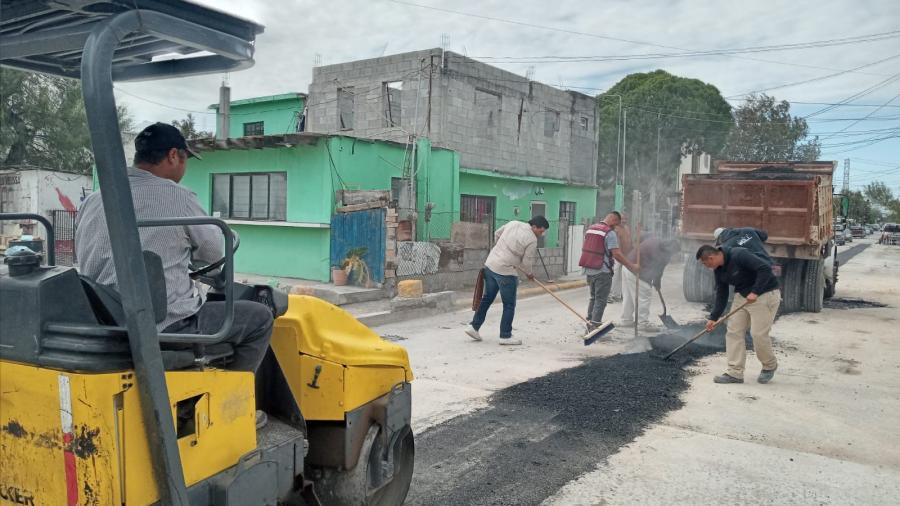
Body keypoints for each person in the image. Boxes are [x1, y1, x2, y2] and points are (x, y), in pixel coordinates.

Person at [76, 122, 272, 372]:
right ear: (172, 155)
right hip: (164, 325)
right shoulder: (176, 196)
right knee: (259, 318)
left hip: (107, 320)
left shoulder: (94, 199)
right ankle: (236, 403)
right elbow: (214, 252)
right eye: (185, 159)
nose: (185, 167)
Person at [696, 244, 781, 385]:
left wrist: (756, 291)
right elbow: (721, 293)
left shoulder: (739, 254)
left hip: (764, 294)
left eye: (705, 264)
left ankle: (769, 366)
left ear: (711, 258)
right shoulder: (718, 270)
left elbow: (765, 269)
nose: (706, 267)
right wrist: (713, 318)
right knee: (733, 332)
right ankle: (735, 373)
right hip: (742, 296)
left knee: (758, 334)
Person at [465, 216, 549, 345]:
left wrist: (501, 250)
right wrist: (529, 274)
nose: (541, 234)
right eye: (541, 231)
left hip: (491, 265)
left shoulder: (513, 223)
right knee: (509, 305)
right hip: (505, 272)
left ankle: (474, 327)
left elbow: (497, 234)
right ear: (534, 227)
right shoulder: (532, 239)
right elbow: (527, 262)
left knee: (487, 299)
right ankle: (505, 335)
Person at [579, 211, 640, 332]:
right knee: (601, 300)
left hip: (588, 269)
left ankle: (590, 322)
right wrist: (631, 266)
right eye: (616, 224)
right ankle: (594, 327)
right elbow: (616, 254)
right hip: (602, 271)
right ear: (613, 220)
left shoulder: (591, 229)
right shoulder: (609, 232)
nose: (615, 227)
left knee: (593, 298)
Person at [620, 236, 679, 331]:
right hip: (636, 269)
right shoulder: (664, 255)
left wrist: (656, 282)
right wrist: (656, 282)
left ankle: (626, 320)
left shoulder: (655, 239)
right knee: (644, 295)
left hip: (627, 265)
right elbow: (658, 270)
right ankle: (642, 323)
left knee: (628, 297)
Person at [608, 213, 632, 303]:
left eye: (625, 218)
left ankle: (618, 294)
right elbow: (616, 244)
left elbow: (629, 241)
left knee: (623, 276)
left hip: (626, 256)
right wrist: (618, 256)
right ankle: (612, 294)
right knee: (615, 276)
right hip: (617, 256)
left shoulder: (627, 228)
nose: (624, 220)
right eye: (622, 219)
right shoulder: (615, 230)